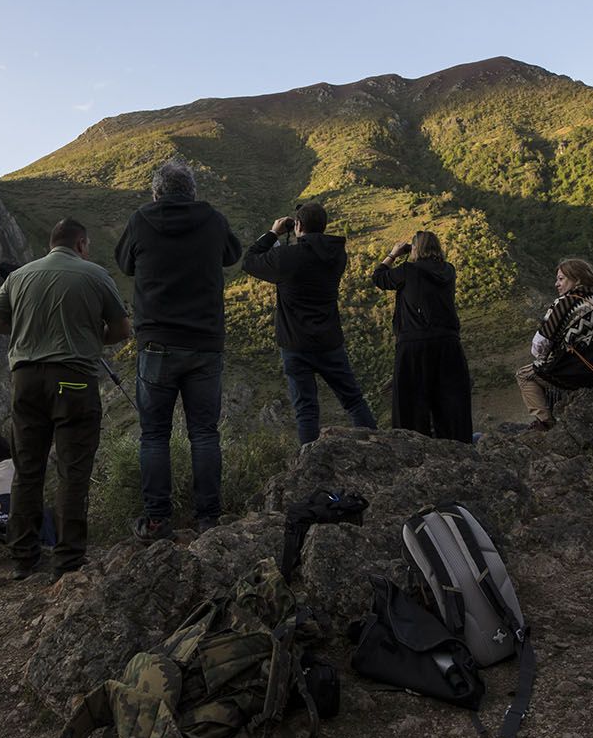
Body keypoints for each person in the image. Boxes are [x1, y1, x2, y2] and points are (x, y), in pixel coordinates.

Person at [0, 218, 131, 582]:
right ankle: (67, 560)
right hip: (74, 381)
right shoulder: (95, 275)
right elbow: (123, 329)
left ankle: (22, 557)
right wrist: (91, 339)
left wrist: (21, 332)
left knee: (27, 469)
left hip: (27, 380)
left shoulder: (20, 277)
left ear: (51, 243)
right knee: (73, 472)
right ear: (81, 243)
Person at [115, 158, 242, 541]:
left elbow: (124, 263)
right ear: (192, 192)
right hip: (204, 342)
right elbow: (232, 255)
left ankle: (157, 521)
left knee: (154, 435)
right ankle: (208, 519)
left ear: (156, 193)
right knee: (204, 433)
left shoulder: (141, 220)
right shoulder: (214, 220)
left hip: (156, 343)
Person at [241, 201, 376, 445]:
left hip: (295, 344)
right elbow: (313, 251)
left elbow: (249, 261)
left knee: (306, 411)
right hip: (329, 340)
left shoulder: (286, 257)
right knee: (354, 400)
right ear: (323, 227)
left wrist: (274, 233)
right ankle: (376, 448)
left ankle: (309, 464)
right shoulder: (338, 255)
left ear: (299, 225)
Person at [371, 230, 473, 443]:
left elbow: (378, 277)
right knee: (451, 403)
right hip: (448, 342)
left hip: (414, 344)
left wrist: (393, 254)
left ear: (416, 249)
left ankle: (413, 450)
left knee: (411, 404)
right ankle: (458, 447)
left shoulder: (408, 270)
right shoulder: (449, 271)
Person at [515, 259, 593, 430]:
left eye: (561, 279)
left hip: (581, 374)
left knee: (524, 375)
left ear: (577, 279)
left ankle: (546, 423)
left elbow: (538, 346)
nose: (556, 284)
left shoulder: (565, 303)